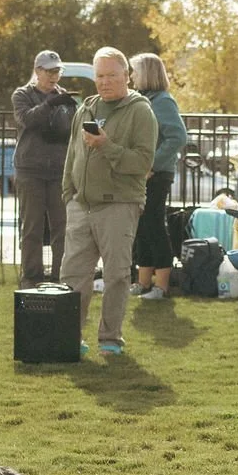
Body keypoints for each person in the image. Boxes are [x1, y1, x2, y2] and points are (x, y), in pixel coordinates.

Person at [61, 47, 158, 356]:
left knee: (116, 275)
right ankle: (69, 339)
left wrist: (107, 146)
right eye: (99, 75)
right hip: (82, 205)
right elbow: (72, 155)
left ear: (126, 76)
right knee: (73, 276)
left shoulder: (140, 111)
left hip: (118, 204)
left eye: (111, 76)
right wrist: (69, 196)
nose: (103, 82)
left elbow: (142, 163)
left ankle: (110, 340)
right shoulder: (85, 109)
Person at [11, 50, 76, 287]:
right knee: (32, 228)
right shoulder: (22, 95)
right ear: (37, 71)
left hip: (59, 170)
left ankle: (61, 277)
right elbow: (27, 119)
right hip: (30, 170)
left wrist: (68, 110)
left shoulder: (65, 97)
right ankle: (31, 277)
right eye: (49, 71)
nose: (54, 76)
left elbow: (70, 132)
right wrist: (50, 104)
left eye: (57, 71)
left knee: (62, 227)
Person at [127, 52, 189, 300]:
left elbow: (178, 137)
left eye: (135, 71)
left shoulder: (162, 101)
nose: (131, 76)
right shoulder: (143, 100)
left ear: (148, 74)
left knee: (154, 226)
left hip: (157, 174)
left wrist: (150, 165)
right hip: (144, 174)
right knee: (142, 227)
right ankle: (143, 283)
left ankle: (161, 286)